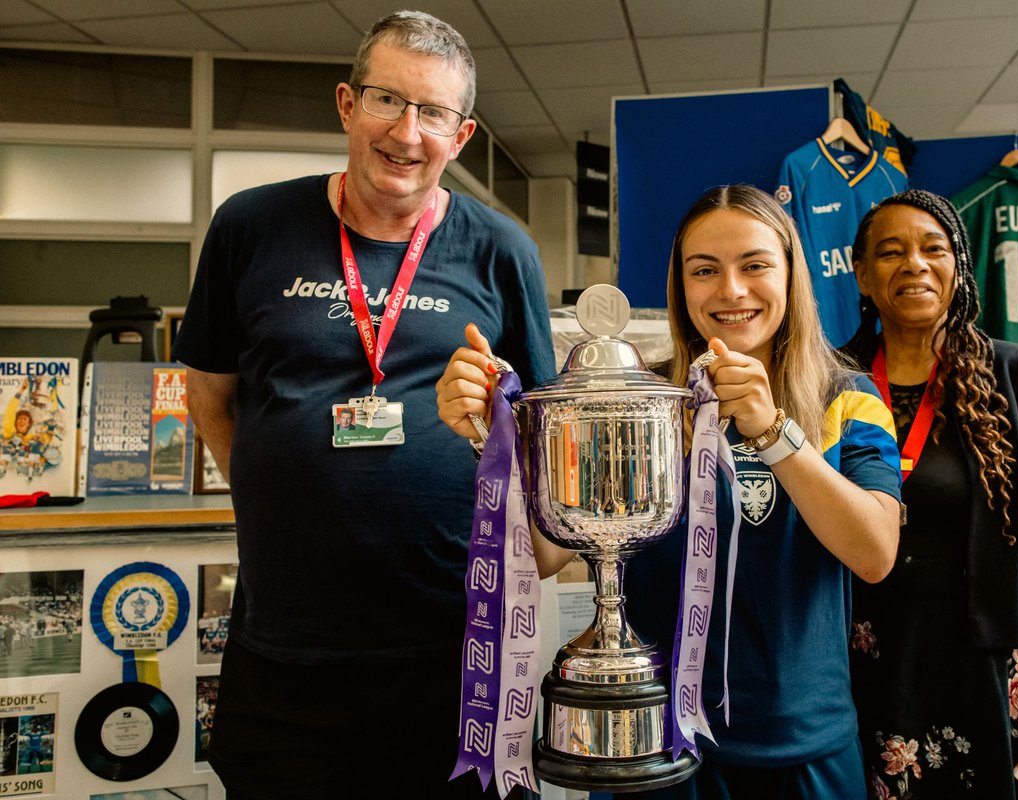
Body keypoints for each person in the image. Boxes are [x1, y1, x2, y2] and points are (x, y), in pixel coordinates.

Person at [172, 9, 555, 798]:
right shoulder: (251, 225)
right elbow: (209, 392)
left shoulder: (500, 250)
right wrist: (275, 488)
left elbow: (540, 436)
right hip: (286, 654)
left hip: (454, 652)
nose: (406, 133)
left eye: (433, 113)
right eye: (387, 100)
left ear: (462, 135)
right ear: (347, 105)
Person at [437, 184, 903, 799]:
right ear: (681, 287)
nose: (730, 290)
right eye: (704, 270)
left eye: (755, 265)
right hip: (656, 739)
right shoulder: (641, 399)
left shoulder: (849, 398)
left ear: (791, 275)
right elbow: (546, 555)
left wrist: (773, 431)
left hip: (805, 743)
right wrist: (488, 439)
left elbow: (874, 553)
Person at [841, 189, 1018, 800]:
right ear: (861, 274)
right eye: (890, 252)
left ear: (958, 266)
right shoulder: (826, 382)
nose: (914, 264)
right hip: (872, 677)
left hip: (1003, 684)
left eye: (932, 248)